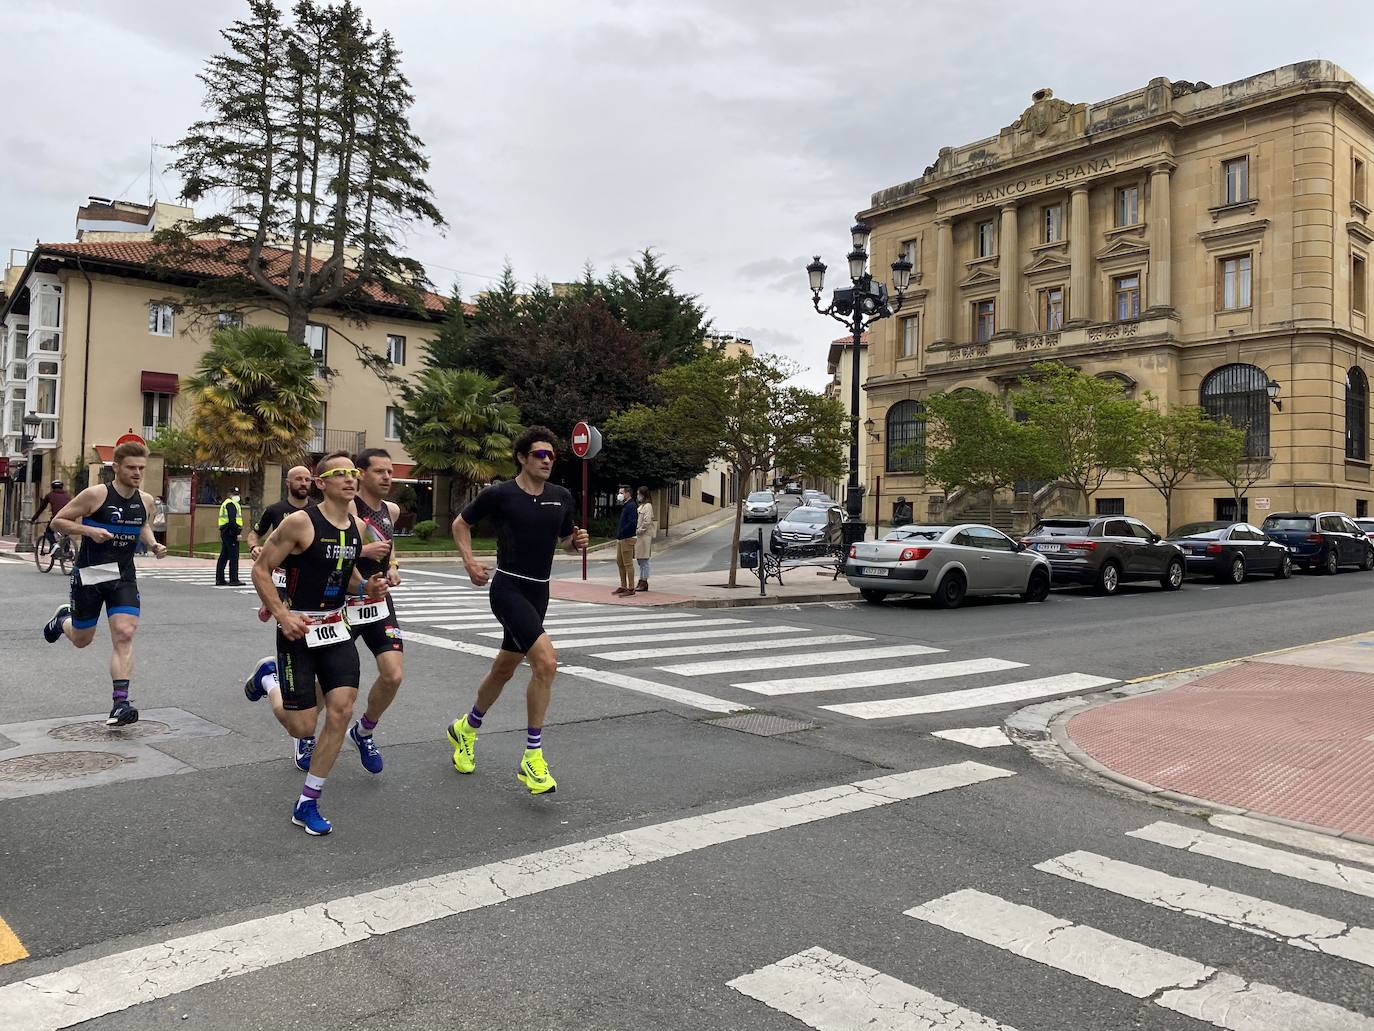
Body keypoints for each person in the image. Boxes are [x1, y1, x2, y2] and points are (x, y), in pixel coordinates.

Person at [243, 451, 388, 836]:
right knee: (301, 727)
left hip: (336, 629)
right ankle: (269, 681)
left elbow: (348, 577)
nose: (350, 479)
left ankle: (308, 801)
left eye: (353, 472)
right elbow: (261, 569)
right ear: (321, 484)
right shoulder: (300, 522)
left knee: (340, 711)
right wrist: (282, 615)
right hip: (299, 630)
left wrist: (367, 587)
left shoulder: (358, 527)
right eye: (339, 474)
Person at [445, 426, 588, 795]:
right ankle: (532, 756)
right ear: (522, 458)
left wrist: (576, 541)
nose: (547, 460)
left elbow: (566, 542)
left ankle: (466, 729)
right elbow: (461, 523)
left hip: (539, 592)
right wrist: (469, 561)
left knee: (504, 669)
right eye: (540, 454)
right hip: (508, 588)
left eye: (552, 455)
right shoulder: (500, 495)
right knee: (546, 663)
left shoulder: (561, 496)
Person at [41, 441, 167, 726]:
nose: (137, 473)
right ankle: (63, 620)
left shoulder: (145, 500)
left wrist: (153, 544)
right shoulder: (95, 495)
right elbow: (58, 522)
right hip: (92, 573)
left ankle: (120, 703)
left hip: (123, 575)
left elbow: (143, 524)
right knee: (82, 639)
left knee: (124, 632)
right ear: (116, 467)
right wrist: (89, 530)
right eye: (131, 468)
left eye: (141, 469)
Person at [345, 447, 405, 774]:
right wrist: (365, 550)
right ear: (361, 473)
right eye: (380, 471)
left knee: (393, 674)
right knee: (333, 683)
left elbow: (389, 543)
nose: (387, 477)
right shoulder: (346, 506)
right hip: (346, 597)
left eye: (390, 472)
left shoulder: (391, 510)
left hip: (378, 598)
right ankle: (306, 733)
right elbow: (331, 549)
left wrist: (393, 565)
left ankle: (364, 730)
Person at [216, 486, 244, 586]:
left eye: (237, 494)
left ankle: (220, 579)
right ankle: (233, 579)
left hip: (225, 531)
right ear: (229, 495)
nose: (237, 496)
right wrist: (237, 533)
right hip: (230, 532)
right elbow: (232, 521)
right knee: (233, 556)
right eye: (234, 494)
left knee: (224, 556)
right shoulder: (231, 504)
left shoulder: (227, 504)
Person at [31, 479, 72, 546]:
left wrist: (33, 519)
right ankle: (67, 551)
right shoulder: (68, 496)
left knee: (48, 532)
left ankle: (54, 545)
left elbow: (41, 508)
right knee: (65, 534)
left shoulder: (50, 495)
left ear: (52, 487)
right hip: (69, 518)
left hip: (57, 518)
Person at [613, 484, 637, 597]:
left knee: (628, 563)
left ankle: (631, 587)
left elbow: (632, 523)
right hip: (621, 538)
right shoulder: (626, 505)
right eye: (619, 493)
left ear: (628, 493)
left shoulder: (631, 505)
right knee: (620, 562)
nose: (619, 495)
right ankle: (623, 585)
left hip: (627, 538)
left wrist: (622, 532)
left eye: (621, 493)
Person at [634, 486, 656, 593]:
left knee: (644, 559)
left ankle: (644, 581)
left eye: (639, 494)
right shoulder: (641, 506)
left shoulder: (648, 506)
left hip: (644, 535)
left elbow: (647, 522)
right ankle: (641, 579)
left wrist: (639, 530)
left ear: (644, 494)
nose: (638, 496)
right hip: (639, 536)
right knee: (640, 559)